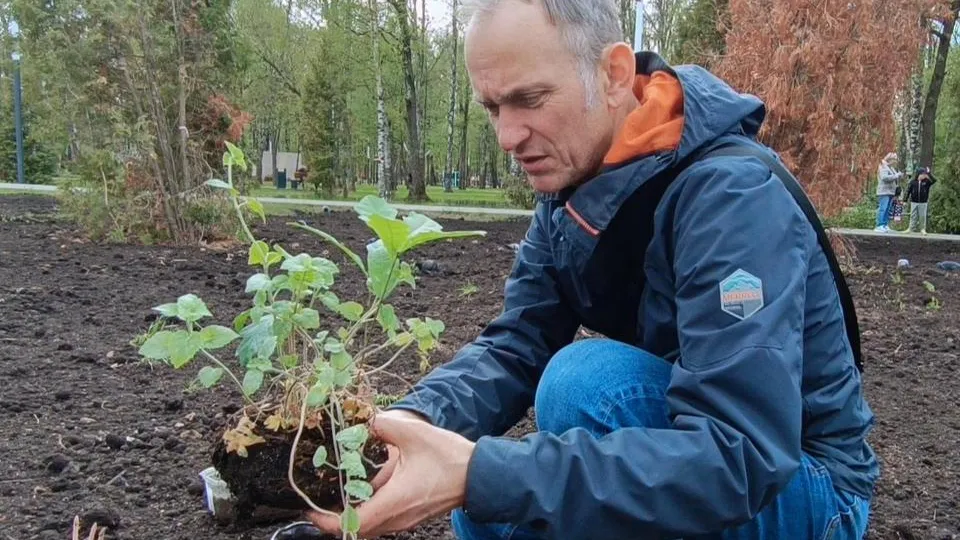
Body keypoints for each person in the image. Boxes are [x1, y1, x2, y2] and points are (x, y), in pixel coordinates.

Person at [307, 1, 879, 539]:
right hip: (701, 449)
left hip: (805, 486)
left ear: (613, 75)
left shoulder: (731, 198)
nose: (507, 136)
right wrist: (407, 427)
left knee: (584, 388)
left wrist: (480, 473)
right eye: (493, 108)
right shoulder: (572, 184)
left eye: (530, 99)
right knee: (485, 509)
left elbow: (742, 454)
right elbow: (517, 344)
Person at [875, 153, 903, 232]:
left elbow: (894, 177)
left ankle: (885, 224)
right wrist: (896, 176)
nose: (896, 161)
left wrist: (899, 175)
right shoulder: (883, 166)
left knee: (888, 209)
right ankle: (879, 225)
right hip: (884, 191)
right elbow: (884, 178)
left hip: (891, 191)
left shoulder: (891, 168)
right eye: (895, 159)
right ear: (890, 159)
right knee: (883, 208)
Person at [904, 166, 937, 234]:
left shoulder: (927, 182)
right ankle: (910, 228)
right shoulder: (913, 182)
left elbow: (934, 180)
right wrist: (905, 200)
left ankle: (922, 229)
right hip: (914, 202)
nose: (924, 175)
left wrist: (929, 173)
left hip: (923, 202)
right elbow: (908, 191)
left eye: (925, 174)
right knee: (913, 216)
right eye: (923, 174)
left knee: (922, 216)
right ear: (919, 174)